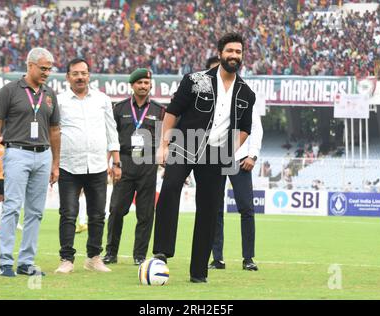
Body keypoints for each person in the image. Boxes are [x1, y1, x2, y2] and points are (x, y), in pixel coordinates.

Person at [153, 33, 255, 283]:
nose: (234, 55)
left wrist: (229, 151)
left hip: (217, 154)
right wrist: (163, 145)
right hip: (185, 144)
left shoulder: (246, 93)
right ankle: (162, 251)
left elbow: (245, 129)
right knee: (170, 188)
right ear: (220, 53)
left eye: (238, 52)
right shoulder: (195, 80)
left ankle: (199, 272)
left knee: (209, 210)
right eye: (230, 51)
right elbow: (172, 112)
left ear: (242, 56)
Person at [0, 47, 60, 277]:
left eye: (49, 69)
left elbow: (55, 130)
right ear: (29, 65)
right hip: (17, 152)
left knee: (36, 212)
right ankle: (5, 262)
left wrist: (55, 163)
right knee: (11, 208)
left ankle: (26, 262)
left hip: (44, 154)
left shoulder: (50, 94)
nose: (47, 73)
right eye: (43, 68)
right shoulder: (9, 90)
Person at [54, 58, 121, 274]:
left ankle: (93, 257)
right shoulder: (59, 100)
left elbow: (112, 131)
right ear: (68, 77)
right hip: (68, 166)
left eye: (84, 73)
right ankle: (66, 259)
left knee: (97, 215)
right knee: (68, 214)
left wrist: (116, 162)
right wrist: (53, 163)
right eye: (75, 73)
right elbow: (53, 132)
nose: (80, 77)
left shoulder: (102, 99)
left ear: (89, 75)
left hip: (97, 166)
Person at [103, 68, 165, 266]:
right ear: (132, 85)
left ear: (150, 85)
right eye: (139, 83)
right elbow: (111, 138)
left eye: (147, 83)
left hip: (147, 163)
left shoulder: (159, 110)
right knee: (116, 210)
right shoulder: (119, 108)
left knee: (146, 213)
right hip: (125, 162)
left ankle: (139, 255)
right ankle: (111, 252)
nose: (143, 86)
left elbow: (166, 137)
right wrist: (111, 162)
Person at [209, 82, 263, 271]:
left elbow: (256, 127)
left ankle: (248, 258)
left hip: (239, 159)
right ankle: (217, 259)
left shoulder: (243, 94)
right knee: (214, 209)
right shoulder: (209, 97)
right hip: (214, 158)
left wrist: (252, 155)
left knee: (246, 208)